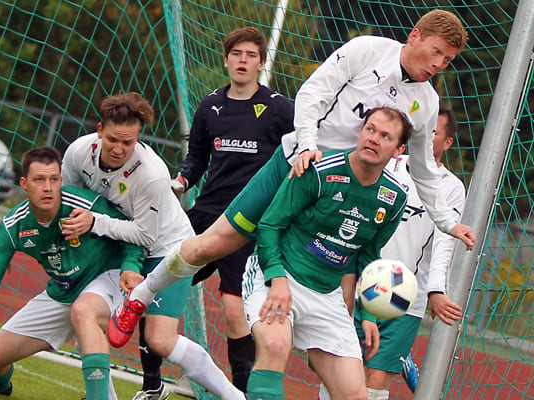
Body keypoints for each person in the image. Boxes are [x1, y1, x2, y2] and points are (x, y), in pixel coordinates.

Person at [108, 8, 476, 348]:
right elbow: (313, 93)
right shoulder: (367, 50)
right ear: (414, 36)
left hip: (334, 197)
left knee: (330, 297)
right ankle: (139, 296)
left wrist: (448, 222)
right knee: (210, 244)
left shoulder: (427, 102)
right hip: (292, 165)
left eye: (447, 60)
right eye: (436, 52)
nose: (438, 64)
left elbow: (424, 168)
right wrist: (308, 146)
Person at [60, 92, 245, 400]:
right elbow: (70, 202)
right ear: (99, 130)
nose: (119, 149)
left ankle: (236, 397)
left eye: (128, 143)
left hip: (168, 251)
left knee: (160, 339)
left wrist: (95, 222)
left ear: (138, 138)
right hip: (120, 250)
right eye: (113, 140)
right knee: (86, 319)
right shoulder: (78, 153)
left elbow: (145, 236)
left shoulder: (151, 173)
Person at [243, 107, 411, 400]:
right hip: (280, 274)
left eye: (385, 136)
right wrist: (277, 279)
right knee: (275, 346)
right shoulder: (318, 170)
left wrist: (368, 315)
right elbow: (269, 225)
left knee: (355, 395)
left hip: (327, 294)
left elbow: (368, 256)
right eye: (370, 129)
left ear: (399, 150)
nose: (373, 138)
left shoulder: (394, 198)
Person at [0, 147, 144, 400]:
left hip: (107, 276)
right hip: (63, 290)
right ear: (24, 184)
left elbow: (130, 233)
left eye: (54, 179)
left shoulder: (85, 203)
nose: (48, 188)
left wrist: (130, 266)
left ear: (61, 180)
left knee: (84, 310)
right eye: (39, 180)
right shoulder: (14, 226)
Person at [167, 27, 294, 393]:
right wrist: (181, 181)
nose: (243, 60)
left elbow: (301, 151)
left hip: (248, 222)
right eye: (237, 54)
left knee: (234, 310)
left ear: (261, 63)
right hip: (207, 214)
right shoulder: (209, 105)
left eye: (251, 55)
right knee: (158, 280)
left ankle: (241, 391)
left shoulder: (279, 109)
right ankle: (160, 380)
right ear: (226, 60)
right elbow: (196, 157)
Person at [318, 107, 466, 400]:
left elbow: (444, 243)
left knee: (375, 381)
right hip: (359, 284)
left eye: (434, 133)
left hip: (405, 297)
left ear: (447, 143)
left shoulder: (451, 187)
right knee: (344, 372)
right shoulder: (387, 164)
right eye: (422, 130)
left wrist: (436, 289)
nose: (425, 138)